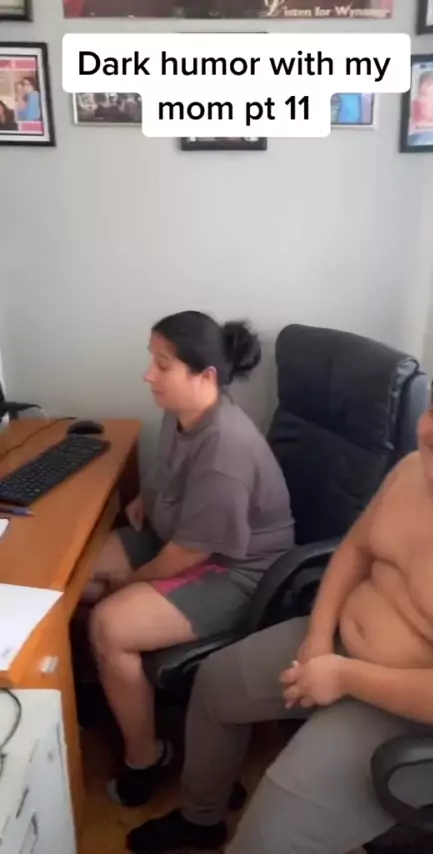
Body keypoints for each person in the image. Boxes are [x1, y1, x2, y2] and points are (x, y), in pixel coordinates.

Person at [127, 346, 433, 854]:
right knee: (215, 685)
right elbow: (354, 550)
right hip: (335, 647)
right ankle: (200, 818)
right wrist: (318, 636)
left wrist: (343, 676)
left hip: (408, 706)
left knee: (268, 836)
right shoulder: (411, 470)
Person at [88, 311, 295, 807]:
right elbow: (172, 472)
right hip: (180, 537)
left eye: (163, 365)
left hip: (235, 569)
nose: (148, 375)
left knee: (109, 623)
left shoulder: (227, 449)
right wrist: (148, 498)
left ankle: (146, 757)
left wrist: (129, 582)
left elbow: (190, 553)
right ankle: (116, 689)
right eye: (152, 360)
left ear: (206, 376)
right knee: (77, 576)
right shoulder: (181, 410)